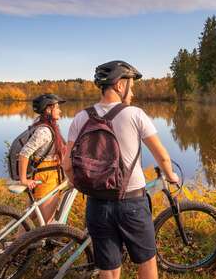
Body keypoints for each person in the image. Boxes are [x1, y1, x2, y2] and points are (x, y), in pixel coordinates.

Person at [63, 61, 179, 279]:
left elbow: (67, 165)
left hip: (97, 204)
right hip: (131, 202)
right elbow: (162, 155)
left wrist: (80, 184)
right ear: (119, 85)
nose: (132, 92)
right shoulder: (135, 114)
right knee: (146, 261)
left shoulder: (80, 117)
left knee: (108, 267)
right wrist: (171, 175)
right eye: (131, 86)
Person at [19, 93, 66, 223]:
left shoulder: (47, 127)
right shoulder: (44, 131)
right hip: (46, 179)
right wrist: (24, 179)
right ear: (48, 110)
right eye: (57, 107)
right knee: (47, 223)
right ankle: (37, 242)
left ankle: (16, 243)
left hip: (45, 176)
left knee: (30, 218)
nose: (60, 110)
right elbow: (24, 153)